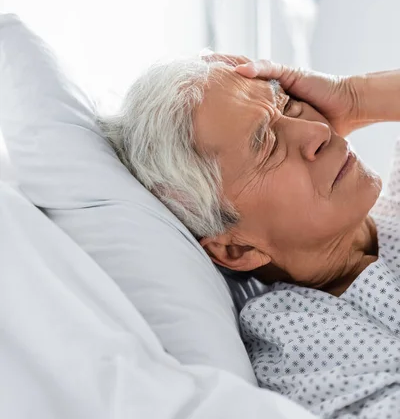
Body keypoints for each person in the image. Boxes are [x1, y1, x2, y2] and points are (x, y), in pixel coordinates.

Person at [100, 55, 400, 418]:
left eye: (289, 104)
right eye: (268, 145)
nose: (318, 132)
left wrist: (355, 96)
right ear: (237, 248)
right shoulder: (297, 343)